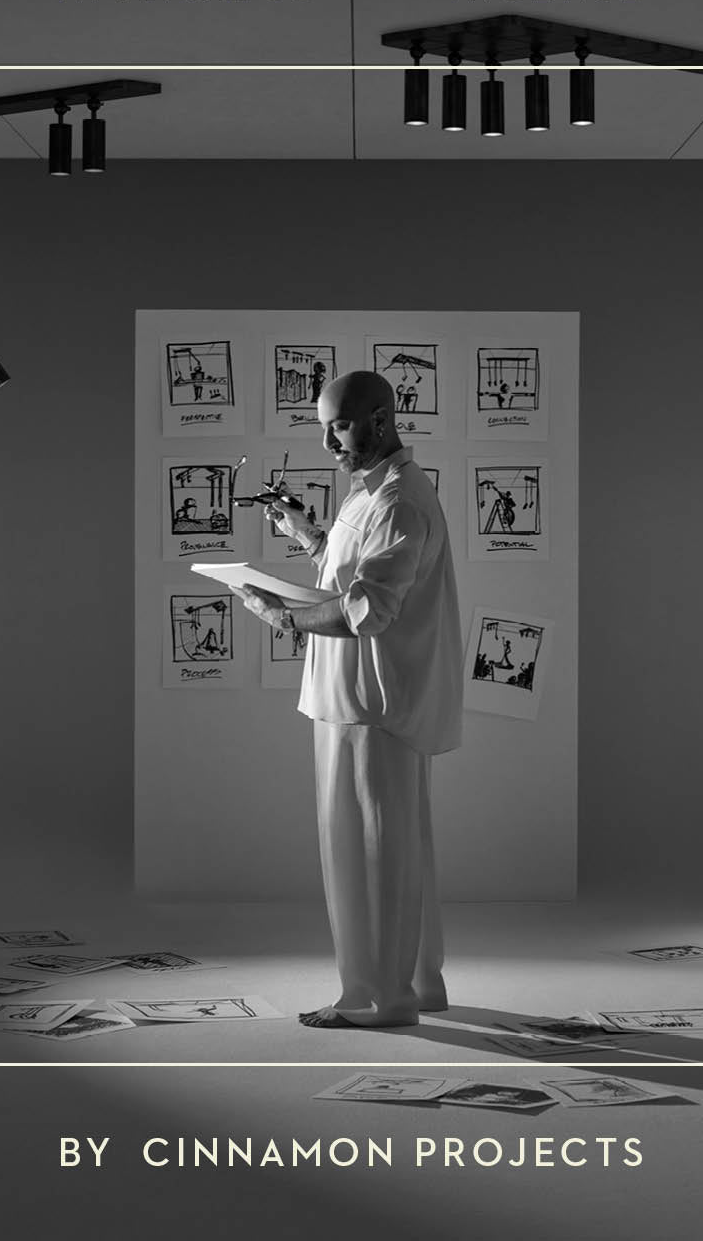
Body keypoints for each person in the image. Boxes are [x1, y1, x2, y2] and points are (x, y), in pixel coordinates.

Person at [233, 370, 463, 1029]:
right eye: (322, 426)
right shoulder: (376, 495)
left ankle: (381, 1000)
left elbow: (367, 609)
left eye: (338, 424)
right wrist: (305, 534)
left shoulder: (398, 502)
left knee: (371, 852)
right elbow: (351, 571)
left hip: (371, 703)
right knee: (393, 845)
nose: (328, 440)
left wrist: (278, 616)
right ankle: (419, 984)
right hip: (352, 697)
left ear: (381, 420)